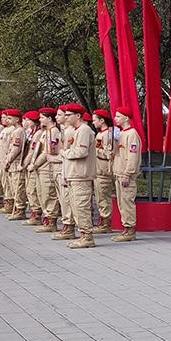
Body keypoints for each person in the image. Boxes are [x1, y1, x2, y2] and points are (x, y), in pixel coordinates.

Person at [60, 104, 97, 249]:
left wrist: (65, 153)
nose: (66, 117)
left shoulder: (84, 130)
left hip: (81, 175)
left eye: (68, 115)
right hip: (74, 174)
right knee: (76, 207)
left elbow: (81, 152)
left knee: (81, 207)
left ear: (78, 116)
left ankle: (87, 236)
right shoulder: (77, 131)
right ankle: (83, 234)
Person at [111, 108, 141, 243]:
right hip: (118, 172)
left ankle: (130, 230)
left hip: (125, 174)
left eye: (118, 116)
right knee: (121, 202)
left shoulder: (132, 134)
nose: (115, 119)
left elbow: (133, 156)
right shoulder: (121, 133)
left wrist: (127, 174)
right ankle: (126, 228)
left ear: (126, 118)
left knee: (127, 202)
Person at [35, 108, 62, 234]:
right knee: (42, 194)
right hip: (42, 167)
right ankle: (47, 218)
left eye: (42, 117)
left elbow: (48, 152)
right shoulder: (46, 132)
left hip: (48, 167)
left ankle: (51, 221)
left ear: (49, 118)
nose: (40, 119)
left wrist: (35, 164)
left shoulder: (53, 131)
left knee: (48, 195)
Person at [52, 107, 75, 239]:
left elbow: (67, 154)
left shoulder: (70, 132)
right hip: (62, 169)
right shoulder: (64, 131)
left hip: (67, 170)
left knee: (66, 200)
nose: (57, 117)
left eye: (60, 115)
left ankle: (69, 227)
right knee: (63, 199)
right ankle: (67, 225)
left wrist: (56, 157)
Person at [92, 110, 116, 234]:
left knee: (103, 198)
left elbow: (109, 154)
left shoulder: (108, 134)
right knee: (99, 197)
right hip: (98, 170)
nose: (93, 122)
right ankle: (103, 220)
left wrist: (94, 150)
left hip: (104, 170)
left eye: (95, 120)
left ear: (102, 120)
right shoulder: (100, 134)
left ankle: (106, 223)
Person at [4, 110, 28, 221]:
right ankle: (17, 208)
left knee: (18, 188)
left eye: (10, 118)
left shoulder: (19, 131)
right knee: (14, 187)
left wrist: (8, 160)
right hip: (12, 163)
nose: (8, 120)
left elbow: (16, 149)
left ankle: (20, 209)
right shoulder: (15, 131)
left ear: (17, 119)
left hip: (16, 162)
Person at [21, 111, 43, 226]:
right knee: (30, 189)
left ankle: (36, 214)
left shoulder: (38, 133)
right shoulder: (32, 132)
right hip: (30, 164)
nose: (26, 122)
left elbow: (32, 151)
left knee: (32, 190)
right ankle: (35, 212)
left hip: (34, 165)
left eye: (29, 120)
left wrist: (24, 164)